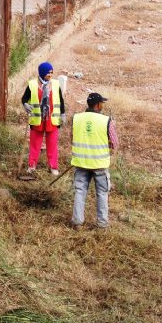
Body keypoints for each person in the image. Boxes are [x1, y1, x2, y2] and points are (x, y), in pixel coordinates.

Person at [70, 93, 118, 229]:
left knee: (80, 191)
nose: (103, 105)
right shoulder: (107, 120)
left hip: (81, 162)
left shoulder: (76, 118)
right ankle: (102, 224)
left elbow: (72, 138)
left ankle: (77, 222)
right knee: (102, 193)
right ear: (98, 105)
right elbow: (115, 143)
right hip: (99, 164)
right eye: (102, 103)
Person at [21, 61, 66, 176]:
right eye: (48, 72)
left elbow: (60, 101)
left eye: (51, 72)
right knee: (35, 145)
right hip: (37, 120)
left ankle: (53, 167)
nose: (50, 75)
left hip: (52, 120)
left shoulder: (55, 84)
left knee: (52, 145)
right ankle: (32, 165)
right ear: (42, 73)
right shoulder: (32, 85)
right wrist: (26, 105)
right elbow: (24, 99)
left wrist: (63, 114)